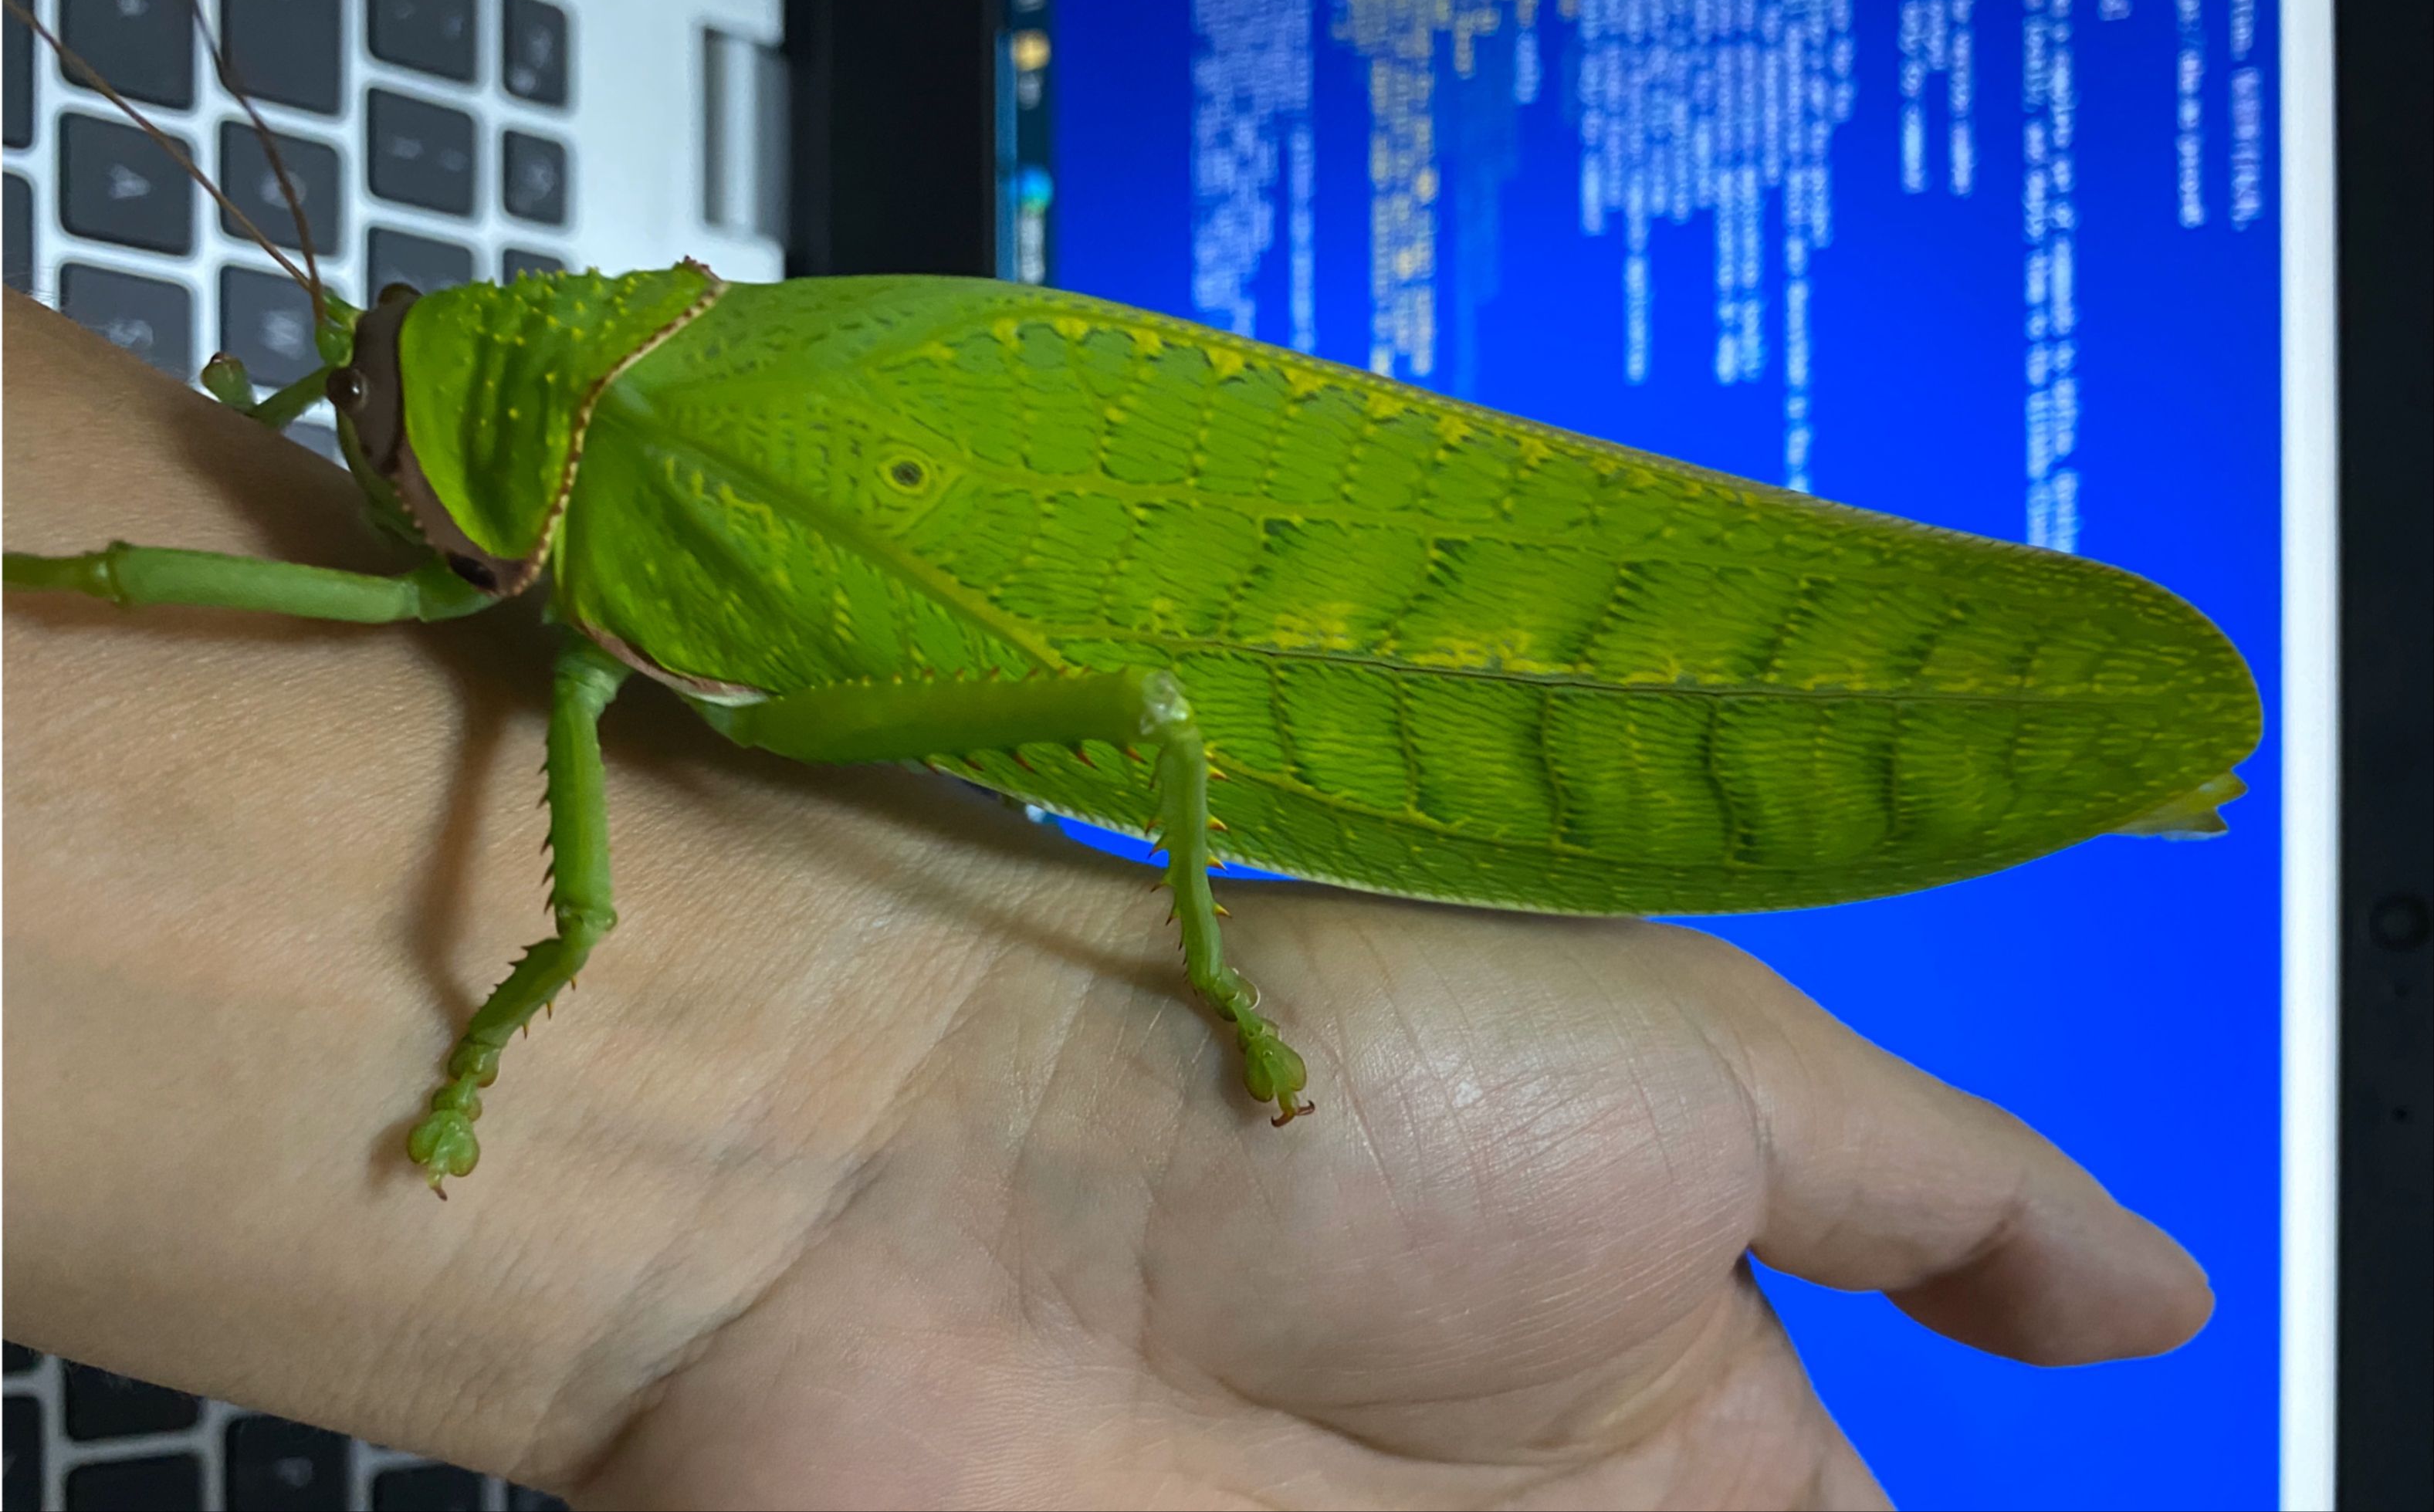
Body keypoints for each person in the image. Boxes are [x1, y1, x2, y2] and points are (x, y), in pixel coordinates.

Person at [1, 292, 2209, 1508]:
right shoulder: (584, 428)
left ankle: (2024, 723)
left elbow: (569, 907)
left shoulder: (632, 509)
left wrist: (1211, 1014)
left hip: (946, 533)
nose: (320, 411)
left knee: (1234, 682)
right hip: (790, 424)